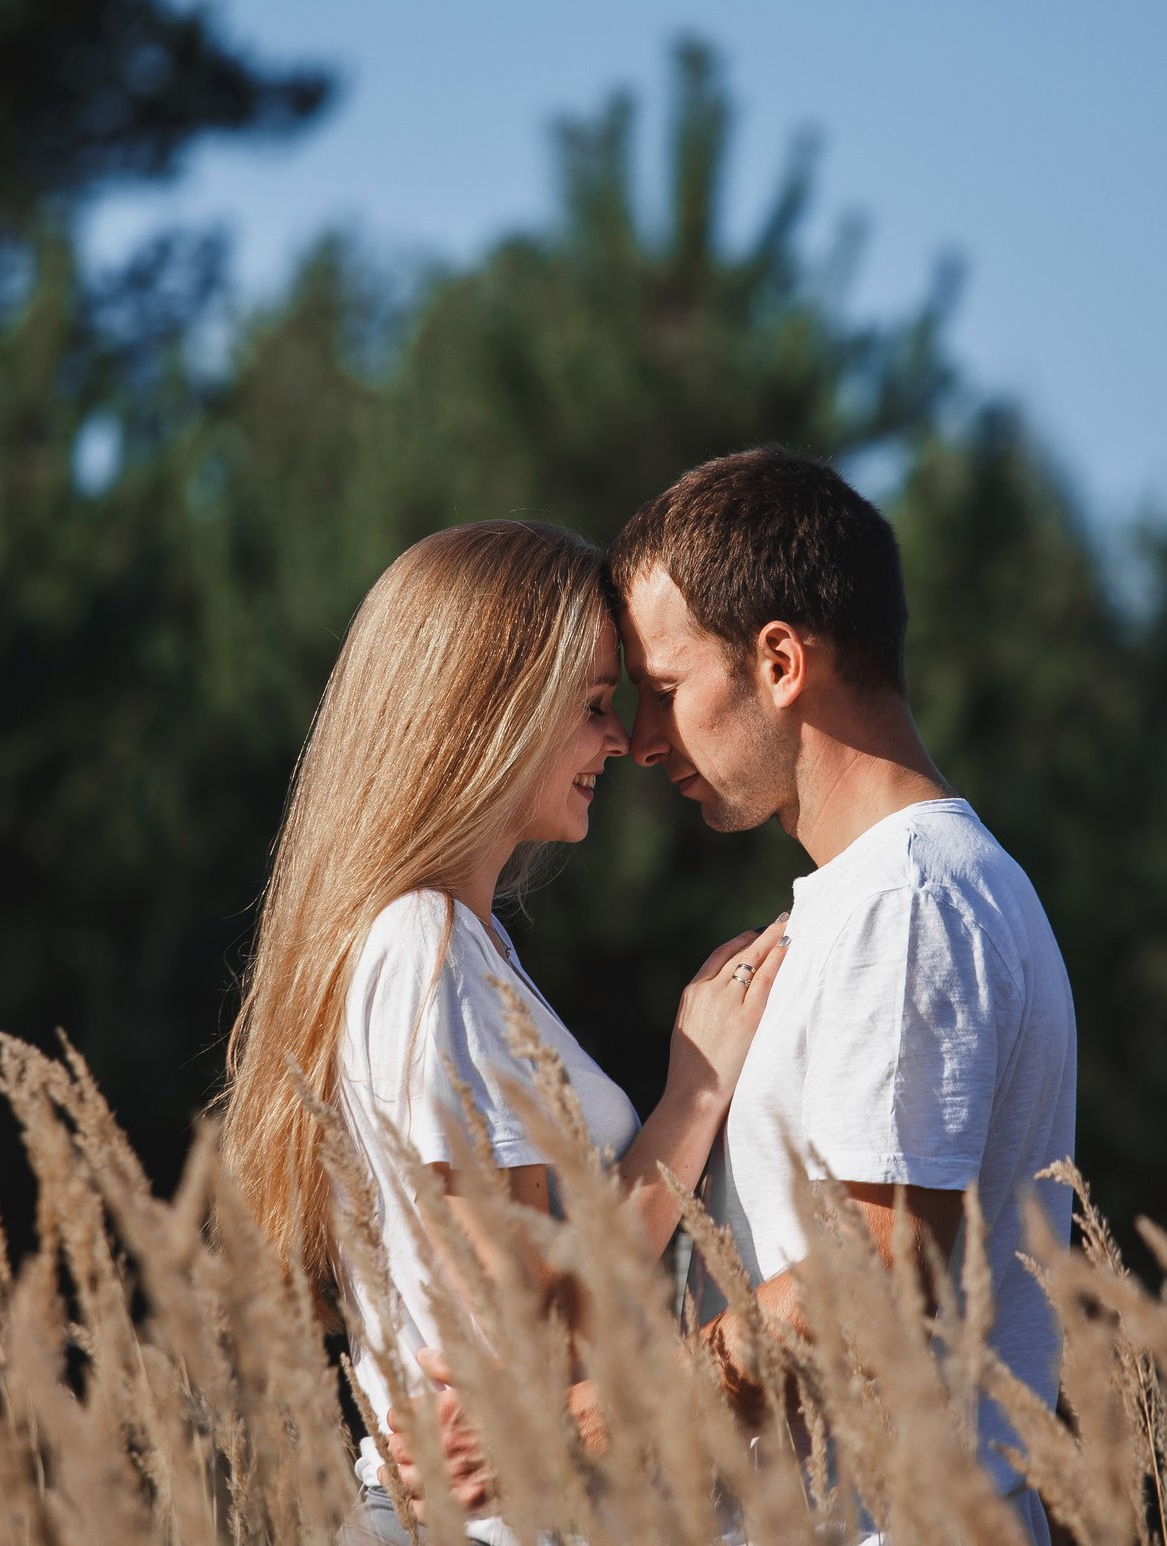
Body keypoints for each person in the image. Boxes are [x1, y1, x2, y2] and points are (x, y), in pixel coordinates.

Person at [390, 448, 1079, 1544]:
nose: (642, 741)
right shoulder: (876, 902)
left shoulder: (912, 901)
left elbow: (871, 1285)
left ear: (777, 661)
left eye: (663, 692)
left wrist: (569, 1426)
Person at [214, 519, 791, 1546]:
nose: (620, 742)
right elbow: (527, 1308)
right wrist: (693, 1092)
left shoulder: (467, 948)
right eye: (594, 708)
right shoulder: (421, 942)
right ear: (494, 711)